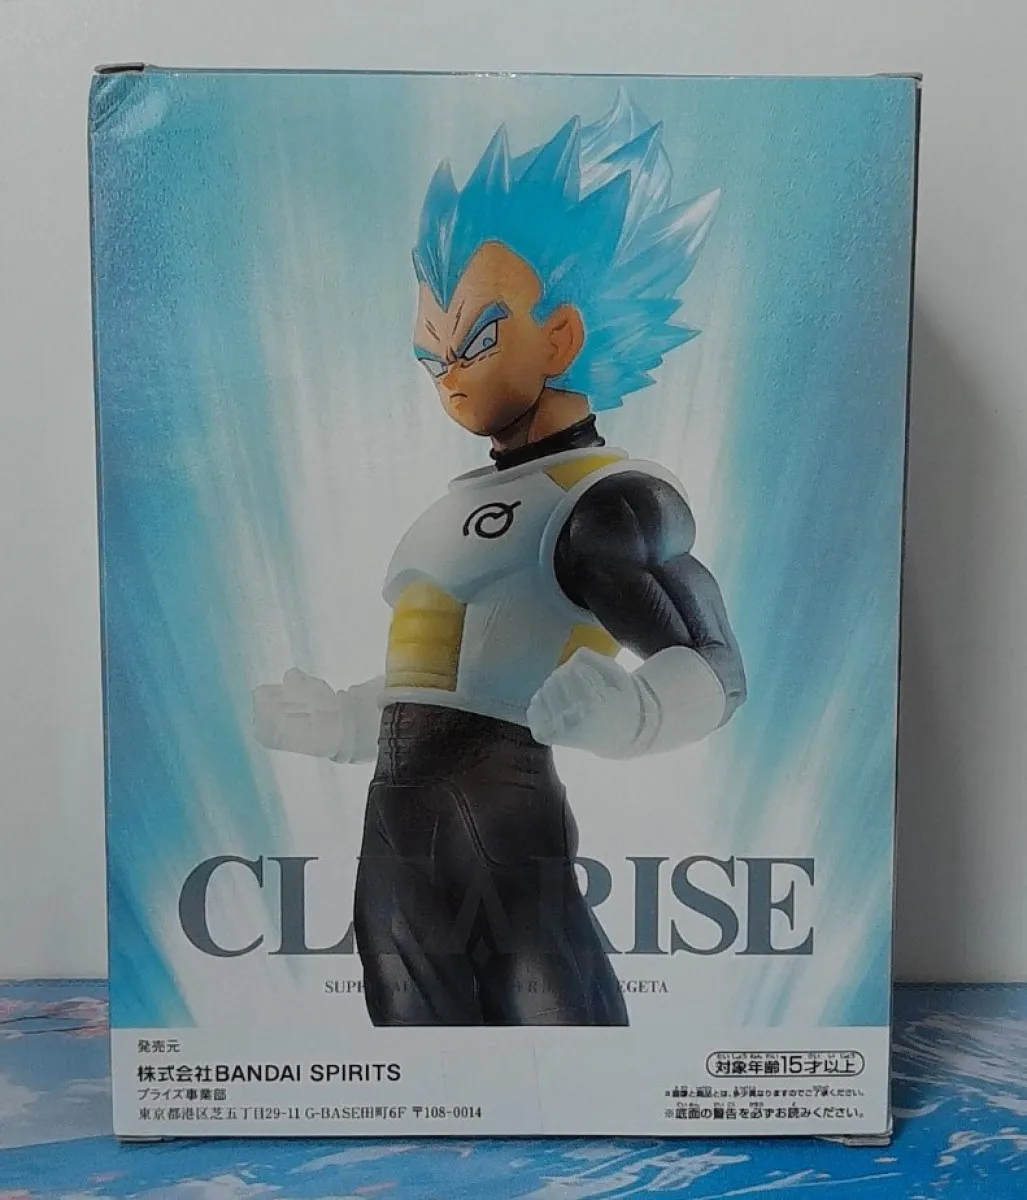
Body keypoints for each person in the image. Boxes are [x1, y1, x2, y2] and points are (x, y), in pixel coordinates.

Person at [254, 93, 746, 1027]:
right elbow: (445, 674)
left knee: (562, 1041)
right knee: (417, 1055)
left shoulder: (605, 500)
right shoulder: (453, 508)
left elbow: (715, 664)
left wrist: (636, 712)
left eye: (474, 340)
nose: (449, 376)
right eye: (429, 354)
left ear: (561, 335)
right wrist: (346, 719)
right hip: (395, 825)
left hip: (505, 816)